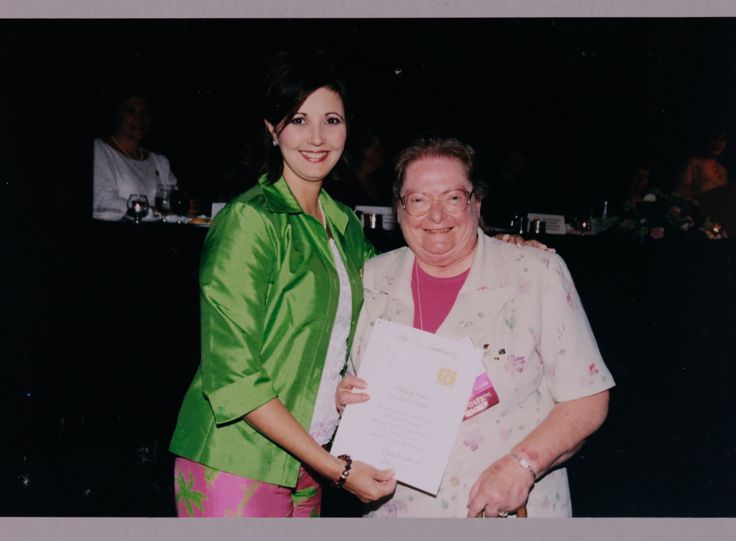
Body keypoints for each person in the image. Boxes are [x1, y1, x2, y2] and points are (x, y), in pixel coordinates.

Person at [168, 51, 397, 518]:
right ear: (272, 130)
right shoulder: (251, 221)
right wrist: (338, 471)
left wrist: (494, 248)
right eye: (298, 120)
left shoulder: (345, 227)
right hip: (236, 459)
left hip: (308, 460)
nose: (317, 138)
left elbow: (391, 291)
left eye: (331, 119)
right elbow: (233, 377)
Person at [338, 137, 615, 518]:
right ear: (399, 210)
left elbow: (587, 398)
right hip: (396, 512)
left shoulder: (534, 274)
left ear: (476, 203)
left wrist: (522, 465)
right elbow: (350, 383)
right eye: (418, 199)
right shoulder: (370, 279)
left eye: (452, 197)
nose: (436, 216)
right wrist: (345, 398)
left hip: (508, 512)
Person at [92, 90, 179, 220]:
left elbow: (175, 205)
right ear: (117, 115)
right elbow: (103, 201)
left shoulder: (160, 163)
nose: (139, 119)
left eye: (144, 113)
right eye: (130, 111)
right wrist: (152, 212)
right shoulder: (100, 151)